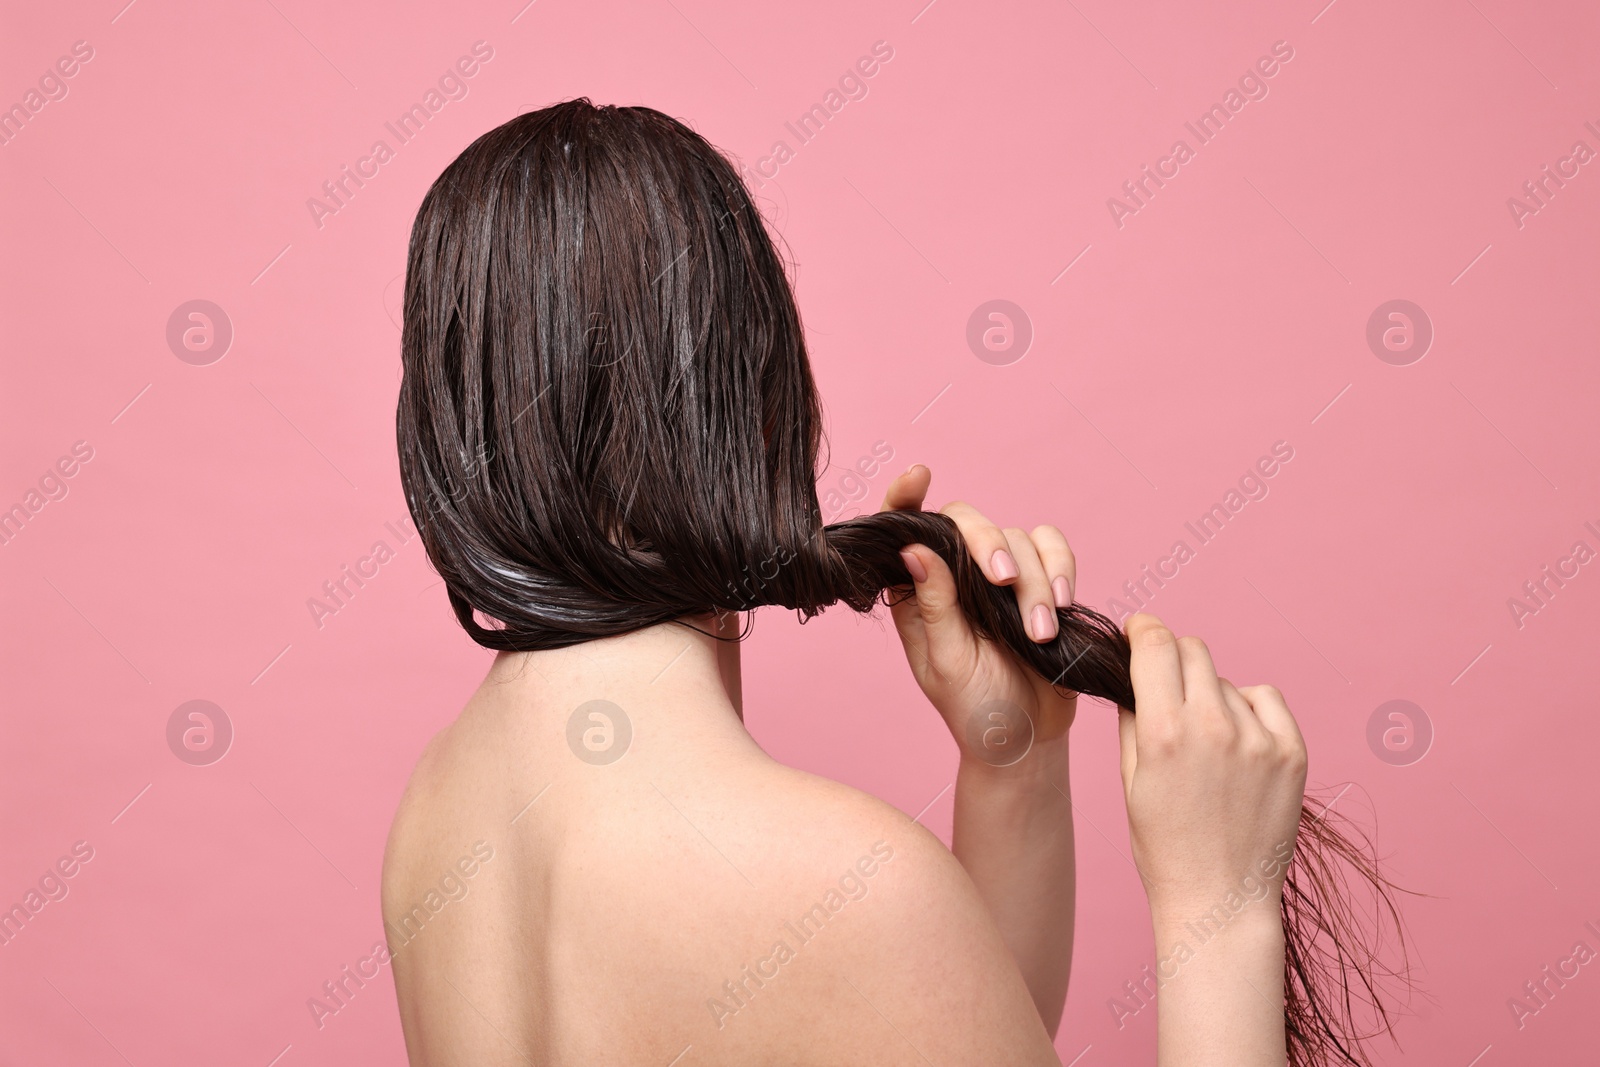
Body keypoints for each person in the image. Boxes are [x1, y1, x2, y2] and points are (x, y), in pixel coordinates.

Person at [382, 99, 1369, 1066]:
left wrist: (1011, 760)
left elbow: (932, 1023)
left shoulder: (437, 816)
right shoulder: (835, 885)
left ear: (447, 432)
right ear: (757, 410)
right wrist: (1221, 910)